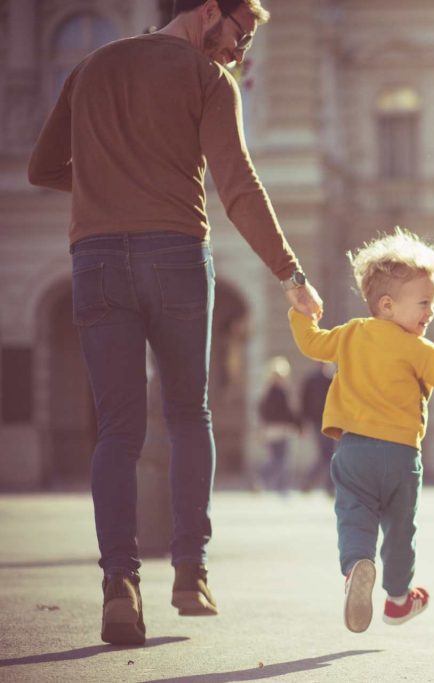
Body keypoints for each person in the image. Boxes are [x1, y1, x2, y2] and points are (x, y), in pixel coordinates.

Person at [26, 0, 323, 646]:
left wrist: (107, 182)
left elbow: (41, 168)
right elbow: (237, 182)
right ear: (208, 11)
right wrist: (291, 274)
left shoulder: (91, 68)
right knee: (190, 415)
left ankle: (120, 587)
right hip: (177, 257)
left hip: (97, 258)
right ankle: (190, 572)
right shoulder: (205, 80)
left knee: (117, 427)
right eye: (239, 35)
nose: (239, 54)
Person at [288, 227, 434, 633]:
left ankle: (356, 566)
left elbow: (312, 345)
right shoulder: (420, 350)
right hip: (402, 456)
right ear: (387, 305)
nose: (431, 312)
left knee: (354, 515)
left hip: (353, 452)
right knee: (401, 530)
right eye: (425, 303)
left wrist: (302, 315)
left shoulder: (351, 333)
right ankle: (398, 599)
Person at [257, 356, 300, 493]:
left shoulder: (267, 391)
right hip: (281, 429)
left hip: (271, 429)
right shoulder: (282, 391)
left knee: (277, 458)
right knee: (280, 459)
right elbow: (289, 411)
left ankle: (278, 485)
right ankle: (272, 481)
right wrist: (297, 425)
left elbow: (262, 411)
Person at [299, 363, 336, 494]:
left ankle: (316, 484)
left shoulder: (328, 378)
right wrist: (303, 423)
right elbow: (304, 402)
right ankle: (323, 485)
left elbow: (303, 403)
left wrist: (303, 422)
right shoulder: (322, 379)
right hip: (321, 421)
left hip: (325, 420)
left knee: (327, 454)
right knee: (327, 454)